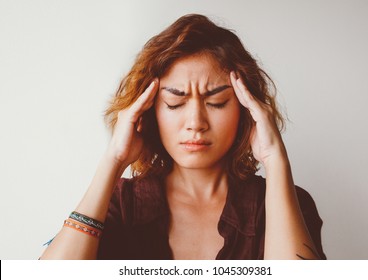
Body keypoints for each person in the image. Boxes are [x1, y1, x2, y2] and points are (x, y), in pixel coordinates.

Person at [40, 14, 326, 260]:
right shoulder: (121, 204)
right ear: (150, 110)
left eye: (217, 102)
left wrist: (276, 160)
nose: (195, 123)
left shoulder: (289, 201)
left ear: (246, 109)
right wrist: (113, 159)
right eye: (175, 103)